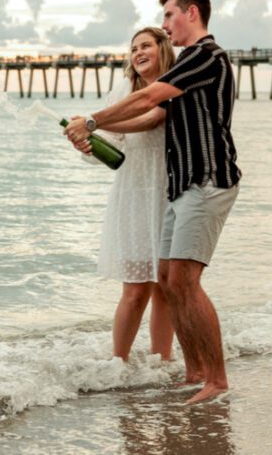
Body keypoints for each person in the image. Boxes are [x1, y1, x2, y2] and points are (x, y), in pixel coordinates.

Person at [66, 0, 241, 403]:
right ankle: (194, 370)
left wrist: (91, 121)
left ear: (191, 13)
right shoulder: (187, 66)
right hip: (181, 187)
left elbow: (146, 98)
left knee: (182, 280)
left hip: (207, 179)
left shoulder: (205, 56)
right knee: (167, 278)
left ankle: (215, 379)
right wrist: (97, 132)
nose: (165, 26)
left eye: (168, 17)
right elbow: (151, 117)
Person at [87, 27, 177, 364]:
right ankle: (117, 363)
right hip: (134, 194)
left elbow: (152, 121)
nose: (138, 53)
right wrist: (88, 143)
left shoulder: (174, 85)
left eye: (146, 46)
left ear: (162, 49)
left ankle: (161, 363)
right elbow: (112, 145)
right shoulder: (123, 89)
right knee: (136, 288)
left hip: (170, 193)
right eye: (134, 48)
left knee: (166, 288)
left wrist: (92, 124)